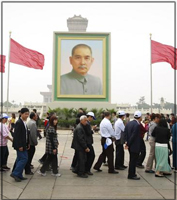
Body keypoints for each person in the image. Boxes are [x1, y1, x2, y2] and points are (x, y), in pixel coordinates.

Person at [10, 108, 30, 182]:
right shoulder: (19, 122)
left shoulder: (24, 122)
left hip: (24, 144)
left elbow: (25, 134)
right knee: (24, 159)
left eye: (28, 114)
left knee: (19, 159)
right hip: (20, 145)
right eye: (25, 114)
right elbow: (17, 136)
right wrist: (19, 146)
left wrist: (27, 143)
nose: (27, 115)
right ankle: (15, 173)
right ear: (21, 114)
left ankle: (19, 175)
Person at [124, 111, 142, 180]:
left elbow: (125, 133)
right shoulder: (137, 125)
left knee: (132, 160)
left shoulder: (129, 123)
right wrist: (128, 143)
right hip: (134, 145)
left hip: (130, 145)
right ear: (140, 117)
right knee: (133, 161)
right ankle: (132, 174)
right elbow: (133, 136)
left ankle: (131, 173)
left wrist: (126, 142)